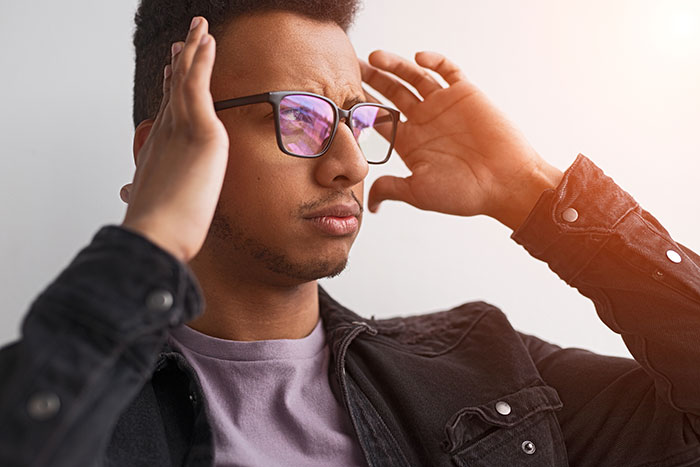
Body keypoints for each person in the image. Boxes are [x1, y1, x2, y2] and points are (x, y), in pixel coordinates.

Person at [1, 1, 699, 466]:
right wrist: (151, 237)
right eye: (300, 116)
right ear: (166, 146)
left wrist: (536, 194)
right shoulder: (59, 390)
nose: (348, 164)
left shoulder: (482, 369)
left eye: (358, 121)